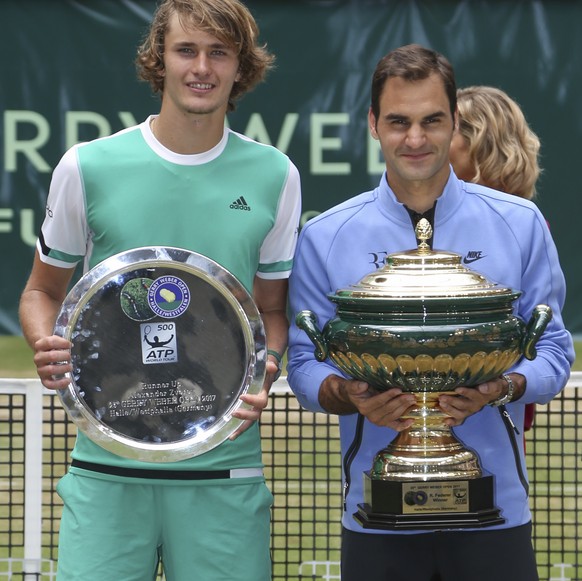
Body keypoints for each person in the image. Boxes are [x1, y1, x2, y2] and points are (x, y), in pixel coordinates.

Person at [19, 1, 301, 579]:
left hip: (224, 469)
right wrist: (46, 344)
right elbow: (41, 292)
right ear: (160, 60)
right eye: (187, 50)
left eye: (219, 52)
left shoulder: (276, 174)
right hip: (107, 468)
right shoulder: (88, 165)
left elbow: (272, 308)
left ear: (240, 67)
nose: (202, 67)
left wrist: (267, 365)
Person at [287, 44, 573, 581]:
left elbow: (554, 351)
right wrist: (349, 395)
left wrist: (503, 385)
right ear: (373, 124)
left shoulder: (521, 222)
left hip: (497, 513)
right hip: (376, 515)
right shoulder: (325, 235)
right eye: (398, 122)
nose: (414, 139)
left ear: (454, 123)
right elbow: (305, 363)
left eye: (430, 121)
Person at [450, 85, 542, 432]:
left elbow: (544, 340)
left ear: (480, 141)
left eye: (448, 128)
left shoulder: (525, 224)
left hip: (499, 422)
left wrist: (499, 388)